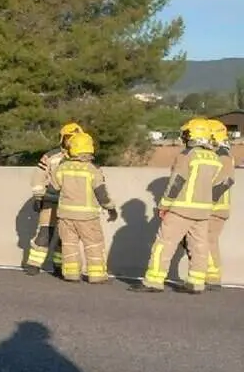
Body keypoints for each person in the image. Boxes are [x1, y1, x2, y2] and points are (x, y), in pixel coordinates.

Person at [129, 118, 224, 294]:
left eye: (186, 134)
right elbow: (216, 186)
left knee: (164, 244)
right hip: (203, 212)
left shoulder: (187, 155)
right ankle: (196, 283)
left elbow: (176, 182)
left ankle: (153, 281)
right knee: (199, 247)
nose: (184, 137)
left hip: (181, 209)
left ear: (194, 135)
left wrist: (164, 205)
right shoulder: (215, 158)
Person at [49, 132, 118, 283]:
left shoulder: (62, 168)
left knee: (69, 245)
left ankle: (71, 274)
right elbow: (101, 194)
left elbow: (53, 188)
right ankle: (96, 275)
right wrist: (111, 208)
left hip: (66, 216)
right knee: (94, 244)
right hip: (88, 217)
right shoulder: (92, 170)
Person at [24, 122, 84, 276]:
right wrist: (39, 197)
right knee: (45, 232)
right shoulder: (51, 156)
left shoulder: (84, 159)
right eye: (68, 137)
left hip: (71, 203)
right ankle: (34, 264)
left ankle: (59, 265)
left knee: (67, 236)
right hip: (51, 201)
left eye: (75, 137)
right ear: (62, 138)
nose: (71, 141)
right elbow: (38, 177)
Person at [207, 119, 234, 290]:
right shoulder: (218, 154)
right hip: (214, 207)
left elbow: (226, 180)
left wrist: (208, 200)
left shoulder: (222, 155)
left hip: (215, 208)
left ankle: (212, 277)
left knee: (209, 241)